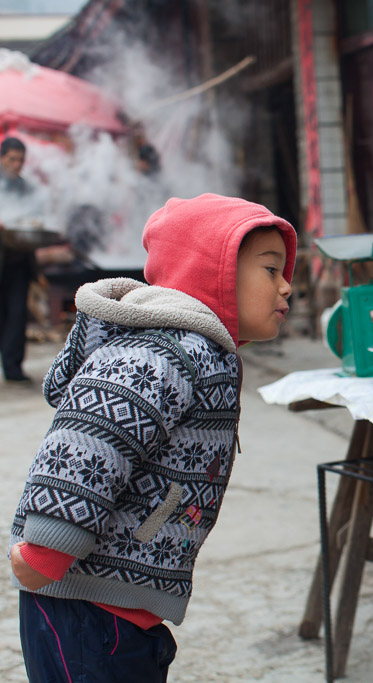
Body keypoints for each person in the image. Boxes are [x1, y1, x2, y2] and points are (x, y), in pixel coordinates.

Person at [7, 193, 296, 681]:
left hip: (121, 609)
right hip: (83, 607)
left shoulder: (202, 351)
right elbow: (90, 441)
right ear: (213, 271)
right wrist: (49, 545)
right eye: (271, 269)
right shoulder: (159, 354)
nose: (287, 285)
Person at [0, 136, 41, 383]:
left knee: (17, 315)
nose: (16, 164)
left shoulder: (26, 188)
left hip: (20, 262)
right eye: (12, 159)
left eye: (20, 160)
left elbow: (37, 215)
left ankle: (13, 369)